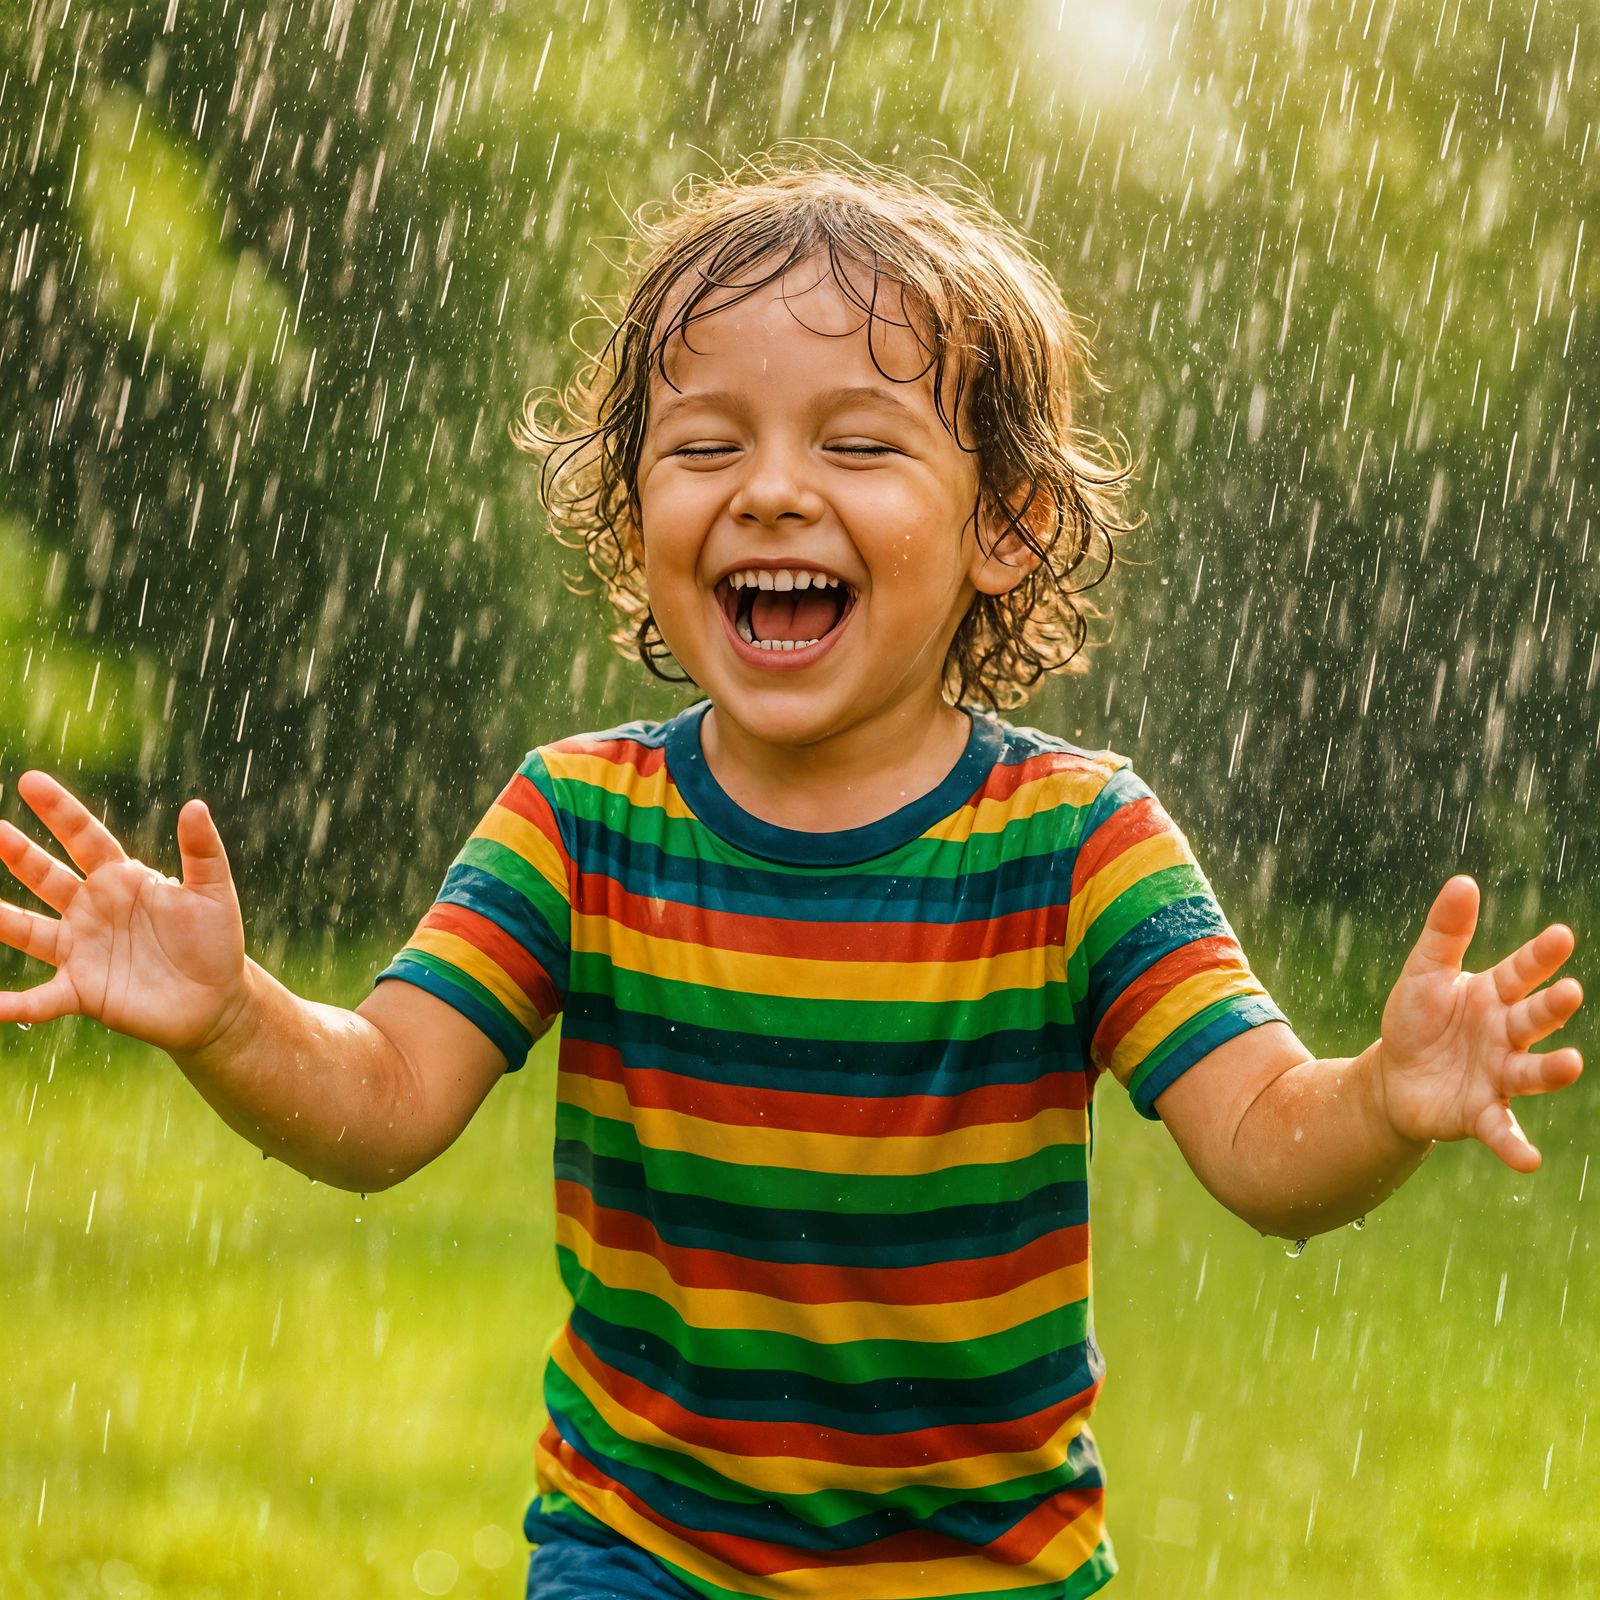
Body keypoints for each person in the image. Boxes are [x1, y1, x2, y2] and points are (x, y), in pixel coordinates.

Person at [0, 150, 1584, 1600]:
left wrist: (1382, 1094)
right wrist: (230, 1016)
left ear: (1008, 527)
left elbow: (1259, 1145)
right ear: (639, 517)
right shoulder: (580, 820)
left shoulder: (1077, 843)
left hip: (987, 1570)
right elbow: (383, 1104)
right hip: (640, 1549)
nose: (767, 486)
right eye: (704, 445)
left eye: (855, 442)